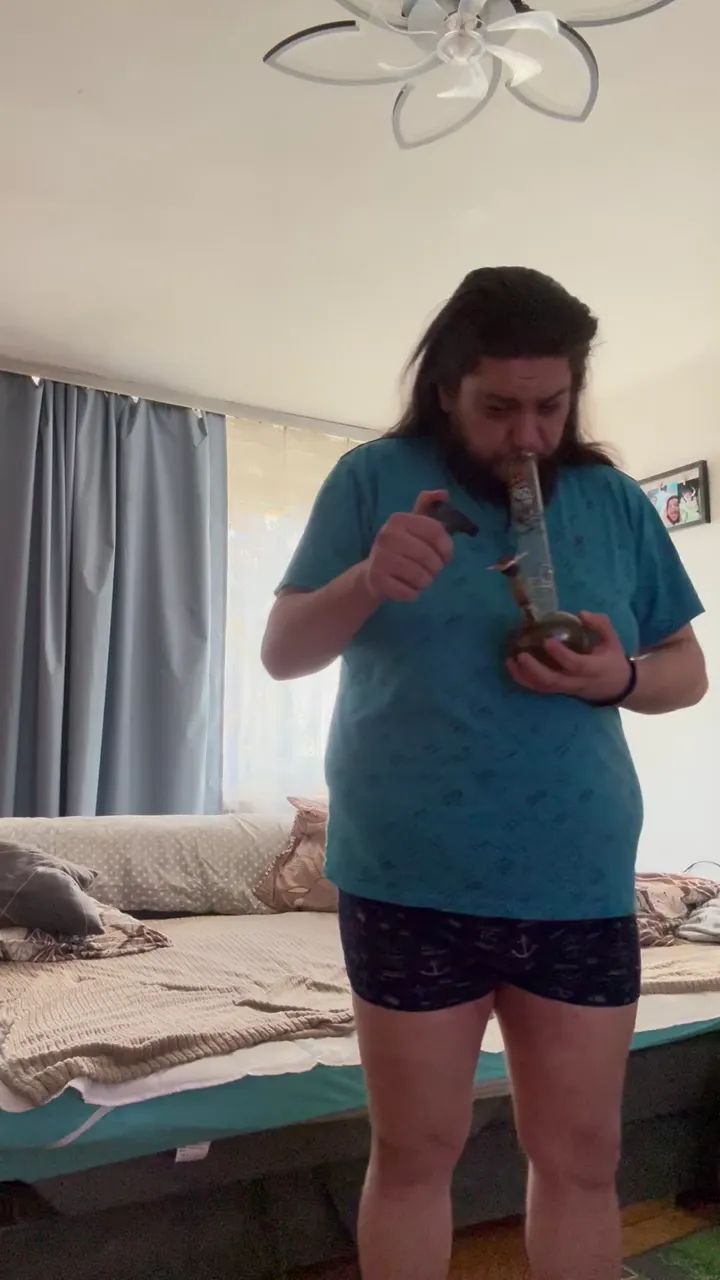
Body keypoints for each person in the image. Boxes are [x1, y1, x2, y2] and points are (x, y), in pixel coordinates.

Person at [262, 267, 707, 1280]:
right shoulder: (372, 478)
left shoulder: (614, 501)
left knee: (584, 1159)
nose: (527, 436)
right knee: (415, 1155)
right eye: (499, 408)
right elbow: (283, 653)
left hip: (578, 876)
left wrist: (617, 677)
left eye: (550, 406)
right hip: (409, 878)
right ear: (447, 386)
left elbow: (685, 670)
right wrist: (365, 579)